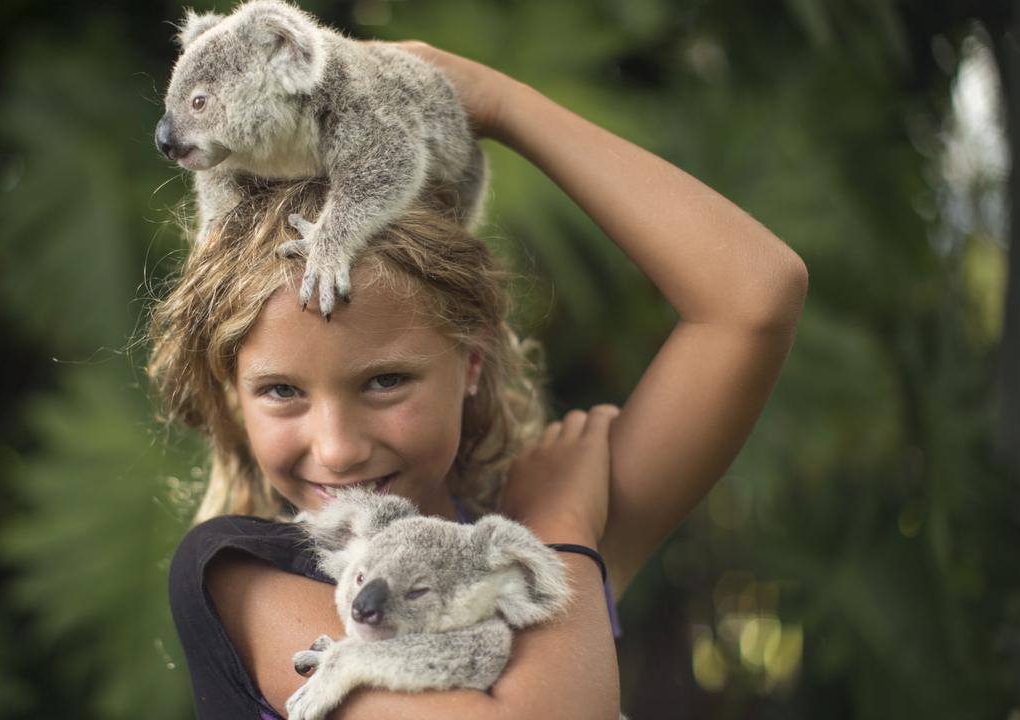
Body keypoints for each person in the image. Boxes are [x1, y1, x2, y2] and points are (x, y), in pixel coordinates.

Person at [147, 41, 808, 720]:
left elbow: (754, 297)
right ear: (232, 387)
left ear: (470, 362)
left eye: (386, 381)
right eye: (283, 391)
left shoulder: (534, 515)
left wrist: (499, 103)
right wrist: (558, 535)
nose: (338, 448)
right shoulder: (244, 581)